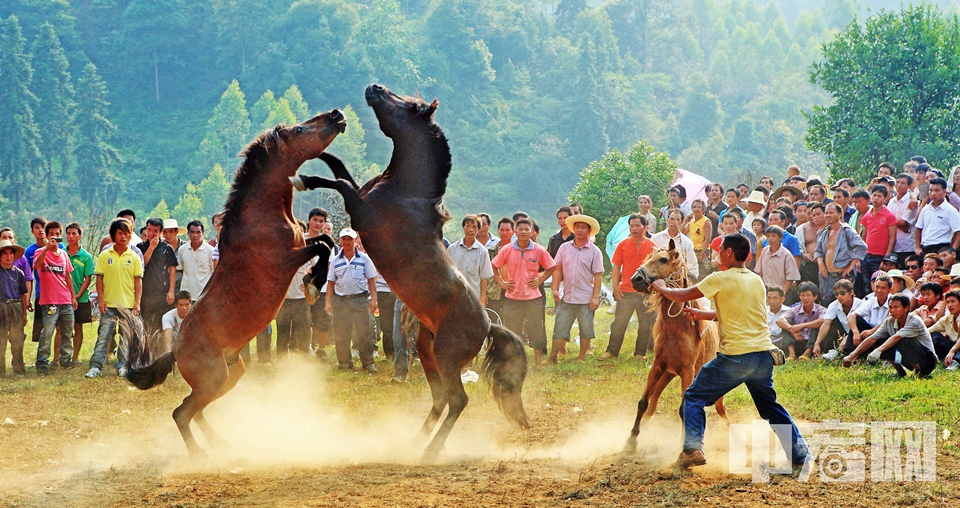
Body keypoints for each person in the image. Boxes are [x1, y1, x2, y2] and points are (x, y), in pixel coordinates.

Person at [651, 233, 809, 471]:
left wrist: (660, 286)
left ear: (728, 253)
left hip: (736, 357)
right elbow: (734, 313)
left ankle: (692, 449)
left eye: (720, 249)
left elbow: (682, 295)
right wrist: (702, 315)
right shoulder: (756, 280)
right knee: (771, 408)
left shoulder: (720, 278)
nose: (717, 254)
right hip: (763, 356)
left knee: (692, 398)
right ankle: (800, 455)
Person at [492, 218, 556, 366]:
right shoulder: (507, 249)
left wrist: (540, 280)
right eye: (520, 229)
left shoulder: (539, 250)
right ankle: (513, 362)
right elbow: (494, 265)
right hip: (512, 297)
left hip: (533, 297)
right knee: (512, 331)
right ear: (515, 231)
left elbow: (552, 266)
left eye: (527, 229)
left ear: (531, 231)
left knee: (536, 329)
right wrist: (501, 282)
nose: (523, 232)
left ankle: (538, 362)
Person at [86, 218, 143, 378]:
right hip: (109, 305)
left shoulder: (134, 256)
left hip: (128, 306)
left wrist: (137, 303)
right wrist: (101, 300)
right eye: (120, 233)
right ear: (113, 235)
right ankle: (95, 367)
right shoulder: (105, 255)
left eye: (126, 233)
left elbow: (138, 282)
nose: (123, 237)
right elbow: (99, 279)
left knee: (126, 338)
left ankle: (123, 365)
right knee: (104, 337)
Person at [549, 215, 604, 364]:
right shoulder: (564, 247)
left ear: (589, 231)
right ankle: (552, 358)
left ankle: (581, 357)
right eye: (577, 227)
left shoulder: (594, 251)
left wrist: (595, 297)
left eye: (583, 227)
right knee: (560, 327)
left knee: (586, 329)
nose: (579, 230)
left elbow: (597, 275)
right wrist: (555, 288)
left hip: (585, 297)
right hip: (566, 295)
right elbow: (558, 269)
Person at [602, 214, 656, 360]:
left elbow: (656, 270)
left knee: (645, 325)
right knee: (619, 323)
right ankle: (612, 352)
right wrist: (615, 287)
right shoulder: (623, 244)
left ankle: (640, 353)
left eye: (637, 225)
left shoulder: (652, 246)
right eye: (631, 225)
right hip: (625, 290)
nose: (634, 228)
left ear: (646, 227)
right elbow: (616, 267)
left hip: (645, 292)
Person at [842, 294, 937, 377]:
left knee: (902, 341)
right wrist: (852, 355)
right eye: (890, 307)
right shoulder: (889, 321)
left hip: (928, 361)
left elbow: (897, 337)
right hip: (908, 358)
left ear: (906, 308)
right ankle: (901, 372)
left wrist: (878, 351)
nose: (892, 310)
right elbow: (872, 338)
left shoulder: (915, 321)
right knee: (882, 341)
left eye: (896, 307)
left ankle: (920, 373)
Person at [326, 228, 378, 372]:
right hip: (340, 301)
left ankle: (368, 363)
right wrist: (328, 302)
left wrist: (374, 299)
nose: (346, 242)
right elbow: (330, 282)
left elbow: (371, 280)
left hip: (360, 300)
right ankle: (344, 362)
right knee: (342, 333)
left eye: (349, 239)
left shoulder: (364, 259)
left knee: (364, 333)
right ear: (340, 240)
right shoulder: (336, 260)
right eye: (344, 239)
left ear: (355, 240)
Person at [33, 221, 77, 374]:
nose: (55, 237)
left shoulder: (64, 254)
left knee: (67, 331)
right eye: (51, 234)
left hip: (65, 300)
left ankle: (65, 359)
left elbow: (68, 275)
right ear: (46, 235)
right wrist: (46, 248)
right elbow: (37, 265)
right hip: (50, 301)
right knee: (48, 332)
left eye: (57, 234)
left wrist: (73, 297)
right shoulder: (40, 252)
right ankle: (42, 362)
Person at [137, 218, 178, 344]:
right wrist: (151, 248)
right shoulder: (139, 247)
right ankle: (146, 353)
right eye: (149, 230)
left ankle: (160, 352)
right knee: (146, 325)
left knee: (161, 324)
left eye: (155, 231)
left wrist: (171, 291)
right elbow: (141, 265)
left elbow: (172, 271)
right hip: (145, 293)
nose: (151, 233)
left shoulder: (167, 248)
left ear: (160, 232)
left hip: (162, 293)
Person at [816, 203, 867, 304]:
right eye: (826, 213)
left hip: (842, 275)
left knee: (844, 303)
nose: (828, 215)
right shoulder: (824, 232)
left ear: (840, 214)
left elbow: (862, 246)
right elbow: (818, 250)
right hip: (827, 276)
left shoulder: (847, 231)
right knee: (827, 303)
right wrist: (821, 264)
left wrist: (851, 266)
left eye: (831, 212)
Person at [859, 185, 898, 296]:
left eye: (879, 196)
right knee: (867, 284)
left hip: (880, 257)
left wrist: (885, 260)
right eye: (874, 195)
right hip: (867, 256)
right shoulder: (867, 215)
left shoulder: (889, 216)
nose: (876, 198)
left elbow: (893, 239)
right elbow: (863, 237)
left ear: (885, 199)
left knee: (879, 286)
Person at [64, 223, 94, 366]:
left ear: (80, 235)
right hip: (63, 298)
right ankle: (58, 358)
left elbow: (88, 278)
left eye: (74, 233)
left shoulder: (86, 257)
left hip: (81, 298)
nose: (71, 236)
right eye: (68, 233)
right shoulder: (61, 253)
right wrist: (69, 296)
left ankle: (75, 357)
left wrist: (76, 295)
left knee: (78, 326)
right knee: (61, 328)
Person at [448, 214, 494, 306]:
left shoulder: (482, 252)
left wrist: (482, 297)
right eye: (468, 226)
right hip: (454, 296)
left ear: (478, 229)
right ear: (463, 227)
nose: (470, 230)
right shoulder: (452, 249)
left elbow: (484, 277)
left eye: (474, 227)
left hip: (473, 297)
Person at [843, 274, 893, 356]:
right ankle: (849, 353)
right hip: (869, 333)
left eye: (883, 288)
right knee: (858, 320)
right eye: (877, 287)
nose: (879, 290)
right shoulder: (871, 300)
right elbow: (851, 316)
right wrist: (856, 332)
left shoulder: (893, 300)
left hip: (884, 334)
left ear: (890, 290)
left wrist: (872, 331)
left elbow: (889, 319)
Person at [812, 279, 862, 361]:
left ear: (851, 292)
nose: (839, 296)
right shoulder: (834, 305)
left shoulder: (861, 304)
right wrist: (817, 344)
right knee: (829, 323)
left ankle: (839, 352)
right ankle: (832, 350)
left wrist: (850, 336)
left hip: (858, 332)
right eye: (836, 294)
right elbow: (826, 324)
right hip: (843, 333)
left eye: (842, 293)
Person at [775, 282, 825, 360]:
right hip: (797, 341)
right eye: (802, 295)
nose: (805, 298)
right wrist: (793, 330)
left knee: (816, 324)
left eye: (808, 295)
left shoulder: (820, 309)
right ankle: (792, 354)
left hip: (812, 343)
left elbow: (823, 320)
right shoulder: (796, 308)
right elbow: (779, 320)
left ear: (815, 297)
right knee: (787, 322)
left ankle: (807, 353)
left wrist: (802, 325)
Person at [0, 239, 28, 376]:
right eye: (5, 253)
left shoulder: (19, 273)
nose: (8, 256)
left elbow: (23, 294)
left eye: (11, 253)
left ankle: (18, 369)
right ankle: (1, 371)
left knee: (17, 340)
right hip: (1, 306)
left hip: (16, 306)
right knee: (1, 340)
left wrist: (24, 314)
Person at [914, 177, 960, 256]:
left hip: (941, 247)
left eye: (937, 190)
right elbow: (918, 228)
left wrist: (952, 250)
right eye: (931, 190)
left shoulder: (950, 211)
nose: (933, 193)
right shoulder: (925, 209)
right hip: (925, 248)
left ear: (945, 192)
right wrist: (917, 247)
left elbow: (958, 232)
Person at [652, 208, 699, 281]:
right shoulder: (656, 238)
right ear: (667, 220)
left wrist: (691, 281)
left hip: (678, 280)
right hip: (658, 279)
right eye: (671, 219)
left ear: (681, 222)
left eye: (677, 219)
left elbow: (692, 265)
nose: (674, 222)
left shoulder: (686, 242)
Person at [755, 226, 801, 299]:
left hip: (782, 291)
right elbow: (760, 272)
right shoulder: (764, 251)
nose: (770, 239)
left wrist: (782, 294)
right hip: (767, 291)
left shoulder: (786, 254)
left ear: (780, 238)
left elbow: (790, 278)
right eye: (768, 236)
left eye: (773, 236)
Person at [177, 220, 215, 302]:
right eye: (192, 232)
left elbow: (213, 272)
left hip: (204, 296)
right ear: (188, 234)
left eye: (198, 232)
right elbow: (180, 268)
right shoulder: (182, 249)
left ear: (202, 233)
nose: (195, 235)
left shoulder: (210, 251)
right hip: (186, 297)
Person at [682, 199, 713, 279]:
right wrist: (685, 221)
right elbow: (682, 232)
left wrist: (702, 253)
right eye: (694, 207)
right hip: (692, 250)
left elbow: (707, 239)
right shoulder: (692, 222)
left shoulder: (706, 221)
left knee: (702, 275)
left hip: (702, 251)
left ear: (703, 209)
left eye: (699, 207)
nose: (696, 209)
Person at [933, 290, 960, 369]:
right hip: (953, 347)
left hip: (956, 349)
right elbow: (927, 331)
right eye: (947, 302)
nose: (949, 305)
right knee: (934, 336)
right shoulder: (946, 319)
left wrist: (953, 351)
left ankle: (955, 361)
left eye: (953, 301)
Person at [766, 286, 791, 355]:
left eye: (775, 298)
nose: (771, 301)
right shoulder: (762, 311)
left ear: (782, 299)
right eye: (769, 298)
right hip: (766, 344)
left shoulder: (789, 311)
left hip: (782, 345)